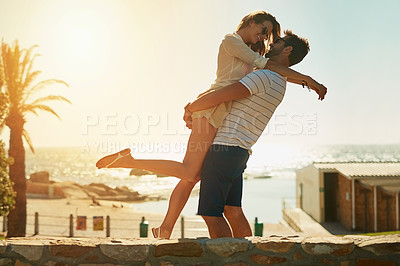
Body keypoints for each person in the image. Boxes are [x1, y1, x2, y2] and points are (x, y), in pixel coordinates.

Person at [96, 11, 326, 239]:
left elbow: (272, 68)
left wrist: (308, 81)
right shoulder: (233, 42)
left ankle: (164, 227)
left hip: (218, 114)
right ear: (252, 21)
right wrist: (193, 108)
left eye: (270, 36)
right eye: (264, 31)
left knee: (191, 176)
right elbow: (267, 68)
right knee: (190, 172)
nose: (266, 39)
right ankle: (130, 162)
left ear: (287, 50)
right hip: (212, 109)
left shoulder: (264, 72)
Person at [184, 30, 320, 238]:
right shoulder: (279, 81)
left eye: (278, 42)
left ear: (287, 49)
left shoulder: (264, 76)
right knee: (233, 211)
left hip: (224, 149)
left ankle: (230, 261)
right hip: (239, 152)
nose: (270, 45)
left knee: (211, 214)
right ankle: (247, 258)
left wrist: (191, 108)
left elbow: (220, 96)